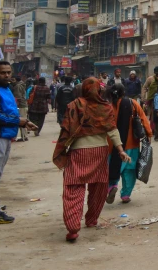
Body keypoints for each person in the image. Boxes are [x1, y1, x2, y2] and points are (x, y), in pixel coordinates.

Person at [53, 78, 130, 242]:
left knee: (73, 188)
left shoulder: (74, 105)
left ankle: (73, 228)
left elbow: (66, 128)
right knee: (99, 188)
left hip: (78, 152)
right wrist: (120, 150)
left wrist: (62, 150)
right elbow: (112, 130)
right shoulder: (105, 107)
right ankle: (92, 220)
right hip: (100, 152)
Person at [0, 62, 37, 224]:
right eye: (2, 73)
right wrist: (18, 121)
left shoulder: (6, 89)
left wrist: (23, 122)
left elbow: (9, 112)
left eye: (8, 72)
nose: (6, 75)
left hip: (5, 136)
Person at [106, 83, 152, 205]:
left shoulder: (107, 106)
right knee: (129, 169)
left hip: (112, 144)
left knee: (112, 166)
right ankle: (126, 194)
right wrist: (149, 133)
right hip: (131, 143)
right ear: (123, 92)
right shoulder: (132, 103)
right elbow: (143, 118)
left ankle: (112, 186)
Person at [11, 75, 28, 142]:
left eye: (13, 79)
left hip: (21, 106)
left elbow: (17, 97)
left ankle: (24, 137)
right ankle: (24, 136)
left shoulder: (18, 86)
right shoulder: (22, 84)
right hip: (23, 105)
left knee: (22, 121)